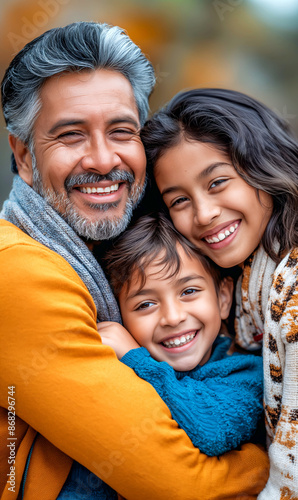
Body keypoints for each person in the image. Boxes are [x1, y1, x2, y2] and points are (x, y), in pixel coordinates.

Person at [0, 23, 269, 500]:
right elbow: (175, 485)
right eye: (71, 135)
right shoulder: (15, 272)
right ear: (23, 155)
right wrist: (261, 463)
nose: (104, 160)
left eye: (121, 131)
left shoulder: (125, 247)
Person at [141, 87, 298, 499]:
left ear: (263, 164)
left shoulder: (292, 292)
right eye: (179, 200)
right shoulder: (248, 290)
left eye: (218, 182)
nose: (204, 213)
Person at [98, 212, 265, 458]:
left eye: (188, 291)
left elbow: (213, 431)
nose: (173, 317)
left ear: (223, 298)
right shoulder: (112, 367)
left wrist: (135, 357)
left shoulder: (247, 374)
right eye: (145, 305)